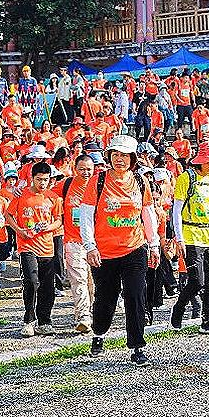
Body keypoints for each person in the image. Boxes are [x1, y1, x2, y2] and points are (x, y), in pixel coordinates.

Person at [79, 134, 161, 367]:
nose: (119, 159)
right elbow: (86, 216)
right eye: (115, 154)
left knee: (135, 296)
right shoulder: (98, 181)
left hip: (135, 247)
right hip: (104, 252)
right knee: (106, 298)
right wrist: (90, 246)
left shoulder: (140, 181)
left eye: (124, 155)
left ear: (133, 158)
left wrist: (154, 244)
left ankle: (137, 346)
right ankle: (99, 333)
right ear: (109, 156)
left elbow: (148, 214)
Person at [170, 140, 209, 333]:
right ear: (201, 160)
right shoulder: (186, 178)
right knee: (197, 281)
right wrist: (179, 238)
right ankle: (179, 307)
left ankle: (208, 320)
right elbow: (177, 210)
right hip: (191, 236)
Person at [8, 163, 63, 336]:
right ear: (32, 178)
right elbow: (8, 214)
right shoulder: (21, 195)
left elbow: (58, 220)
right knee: (31, 282)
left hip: (47, 247)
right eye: (39, 179)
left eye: (45, 180)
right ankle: (29, 320)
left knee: (47, 286)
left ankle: (44, 321)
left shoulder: (53, 198)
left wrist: (48, 227)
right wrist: (19, 231)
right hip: (27, 245)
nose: (42, 183)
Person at [57, 153, 97, 333]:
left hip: (97, 241)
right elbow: (44, 194)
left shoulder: (99, 185)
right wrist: (21, 192)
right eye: (82, 169)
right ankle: (83, 316)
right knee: (78, 278)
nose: (85, 173)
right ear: (75, 169)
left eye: (89, 169)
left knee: (93, 280)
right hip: (73, 240)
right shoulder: (66, 184)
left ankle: (95, 310)